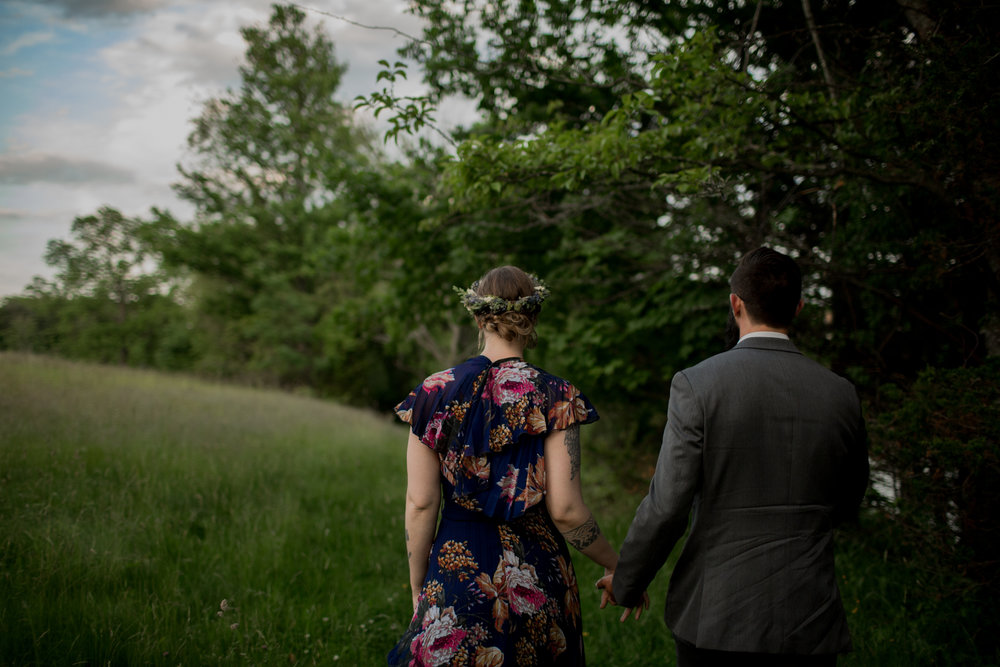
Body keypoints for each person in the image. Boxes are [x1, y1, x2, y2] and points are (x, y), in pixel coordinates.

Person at [599, 247, 869, 666]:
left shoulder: (698, 384)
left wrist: (628, 581)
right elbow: (849, 501)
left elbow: (668, 504)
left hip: (717, 616)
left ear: (735, 303)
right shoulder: (840, 394)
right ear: (798, 307)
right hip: (809, 616)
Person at [388, 265, 628, 666]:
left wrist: (419, 585)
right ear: (533, 318)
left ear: (478, 316)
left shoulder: (433, 392)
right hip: (538, 576)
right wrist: (617, 566)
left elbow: (421, 502)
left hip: (457, 568)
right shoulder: (557, 395)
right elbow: (567, 512)